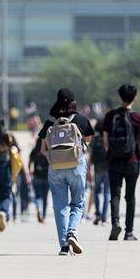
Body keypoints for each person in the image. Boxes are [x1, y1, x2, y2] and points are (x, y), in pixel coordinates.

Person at [38, 88, 94, 256]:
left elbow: (43, 150)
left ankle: (63, 246)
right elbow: (87, 144)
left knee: (60, 206)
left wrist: (55, 160)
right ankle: (72, 232)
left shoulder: (49, 123)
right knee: (78, 202)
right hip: (76, 166)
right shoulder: (82, 121)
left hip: (56, 168)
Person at [101, 83, 140, 241]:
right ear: (134, 97)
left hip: (114, 161)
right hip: (132, 161)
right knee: (130, 196)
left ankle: (115, 223)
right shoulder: (139, 118)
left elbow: (105, 141)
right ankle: (129, 232)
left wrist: (111, 153)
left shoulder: (109, 116)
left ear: (119, 97)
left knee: (114, 194)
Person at [88, 128, 110, 226]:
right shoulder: (110, 137)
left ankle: (97, 215)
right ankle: (104, 217)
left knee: (97, 192)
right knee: (106, 193)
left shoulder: (95, 139)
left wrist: (89, 168)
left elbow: (91, 154)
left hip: (97, 169)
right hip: (108, 169)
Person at [29, 142, 50, 223]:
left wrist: (30, 169)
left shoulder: (35, 150)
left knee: (38, 196)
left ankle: (38, 209)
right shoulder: (48, 150)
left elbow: (30, 160)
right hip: (47, 176)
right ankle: (43, 216)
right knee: (45, 197)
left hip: (37, 175)